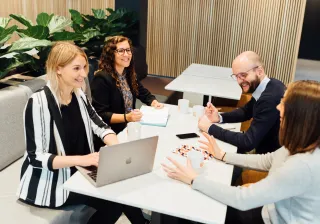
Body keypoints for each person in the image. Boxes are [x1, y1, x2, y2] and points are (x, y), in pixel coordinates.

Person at [17, 42, 148, 224]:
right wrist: (83, 159)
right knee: (116, 201)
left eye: (84, 67)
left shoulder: (78, 95)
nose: (84, 74)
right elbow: (36, 157)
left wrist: (118, 149)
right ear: (59, 69)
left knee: (123, 185)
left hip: (79, 171)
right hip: (53, 181)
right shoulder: (39, 103)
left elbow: (100, 125)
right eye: (77, 68)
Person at [163, 80, 320, 224]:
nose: (278, 107)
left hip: (271, 219)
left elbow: (242, 199)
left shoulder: (302, 166)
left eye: (284, 102)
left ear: (299, 114)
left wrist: (194, 179)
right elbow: (268, 160)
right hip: (269, 211)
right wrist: (223, 156)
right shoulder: (305, 142)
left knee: (196, 207)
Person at [198, 51, 285, 154]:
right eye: (237, 76)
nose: (239, 81)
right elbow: (247, 111)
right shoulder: (272, 84)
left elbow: (247, 142)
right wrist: (220, 117)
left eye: (243, 75)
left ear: (259, 71)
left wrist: (210, 128)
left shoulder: (268, 99)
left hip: (267, 157)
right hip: (266, 146)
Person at [90, 36, 163, 137]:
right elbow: (100, 114)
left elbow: (141, 91)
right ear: (111, 55)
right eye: (121, 51)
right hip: (112, 132)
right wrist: (127, 117)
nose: (126, 54)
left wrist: (153, 102)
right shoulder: (101, 79)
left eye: (128, 50)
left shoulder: (127, 72)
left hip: (130, 127)